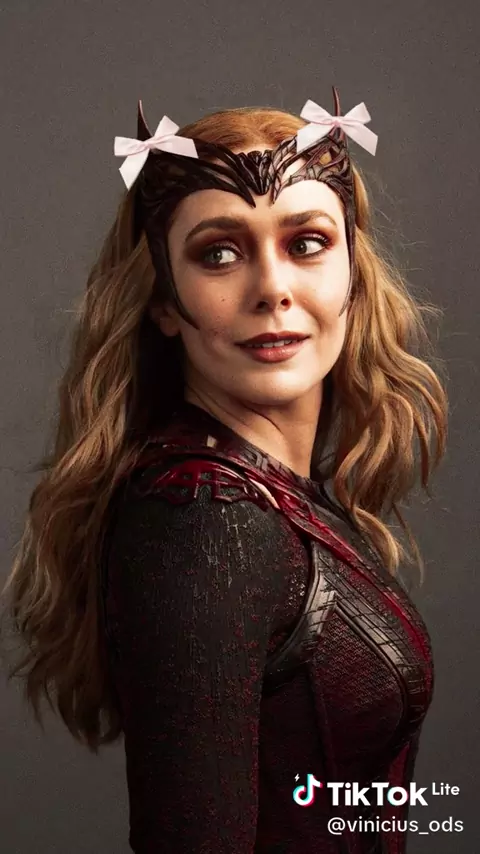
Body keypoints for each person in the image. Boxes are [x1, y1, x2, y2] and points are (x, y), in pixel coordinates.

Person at [1, 87, 448, 853]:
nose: (272, 288)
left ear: (353, 272)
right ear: (163, 302)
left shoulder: (273, 495)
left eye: (307, 242)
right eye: (219, 253)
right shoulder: (206, 520)